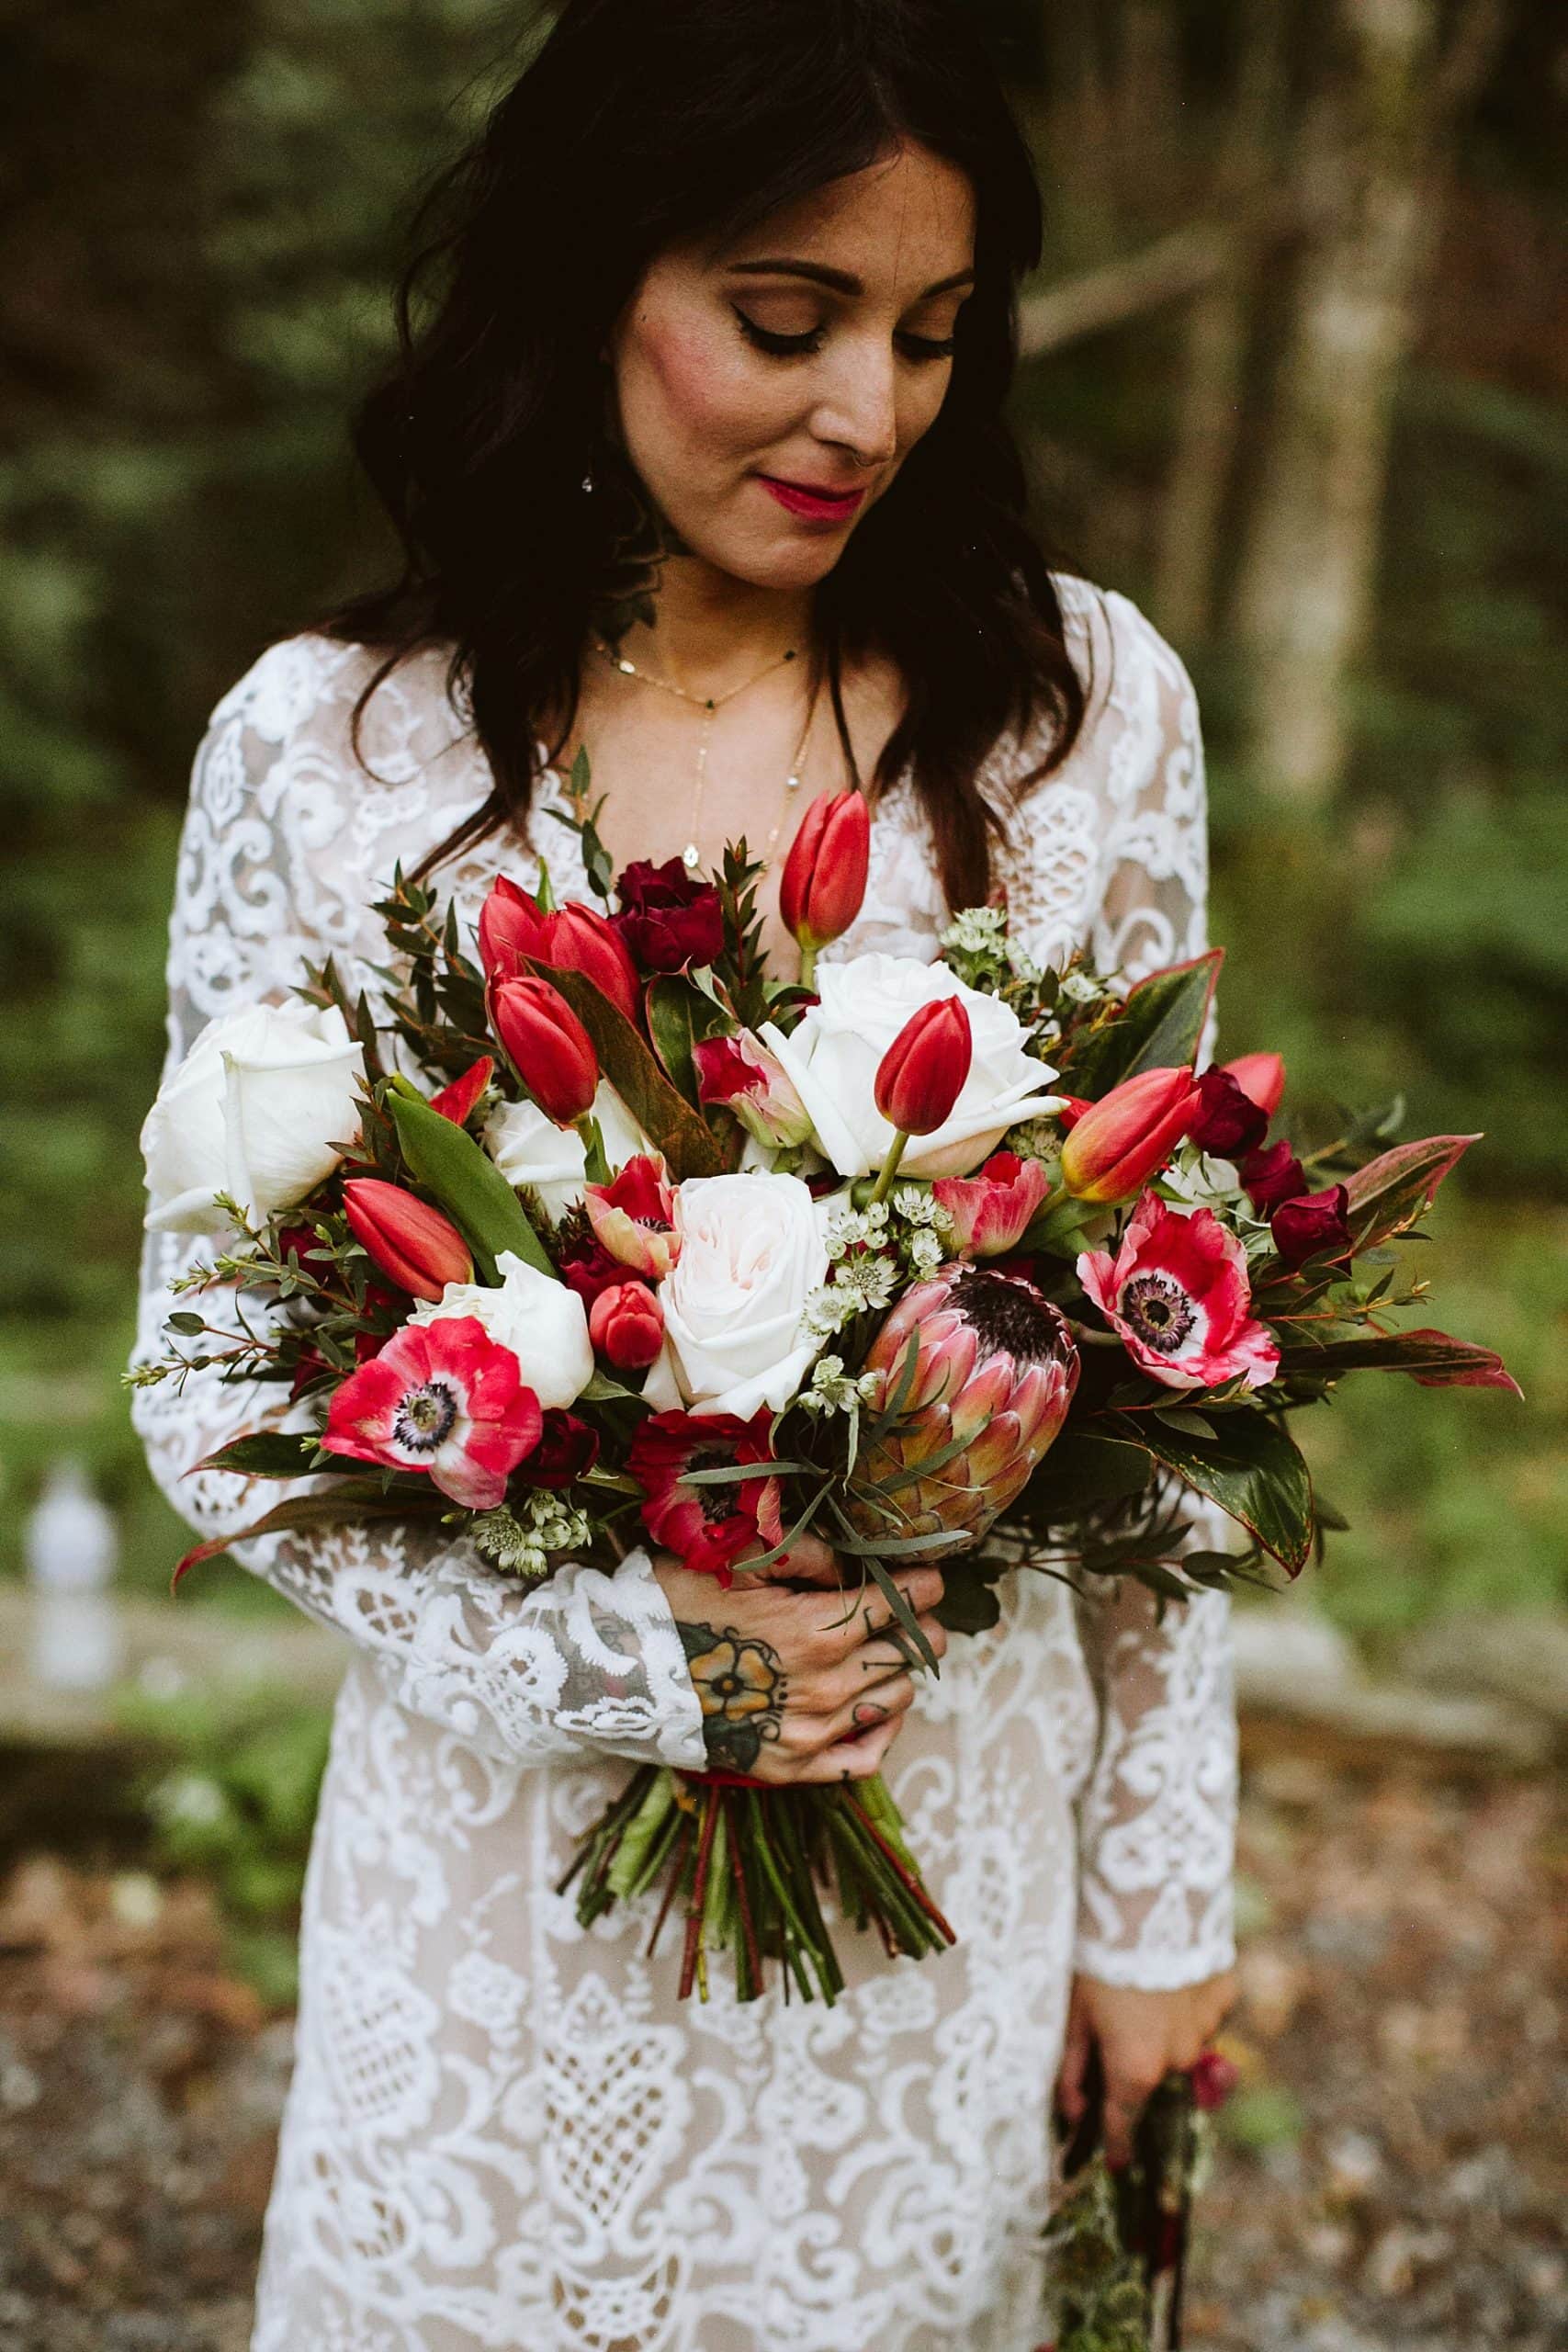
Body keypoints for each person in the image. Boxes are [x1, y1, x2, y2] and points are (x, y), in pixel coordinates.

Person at [127, 3, 1237, 2346]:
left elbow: (1176, 1363)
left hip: (933, 1830)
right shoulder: (335, 754)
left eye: (932, 337)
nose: (868, 413)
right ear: (588, 265)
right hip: (498, 1872)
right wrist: (609, 1656)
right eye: (783, 318)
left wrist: (1158, 1906)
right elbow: (213, 1375)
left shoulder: (1074, 716)